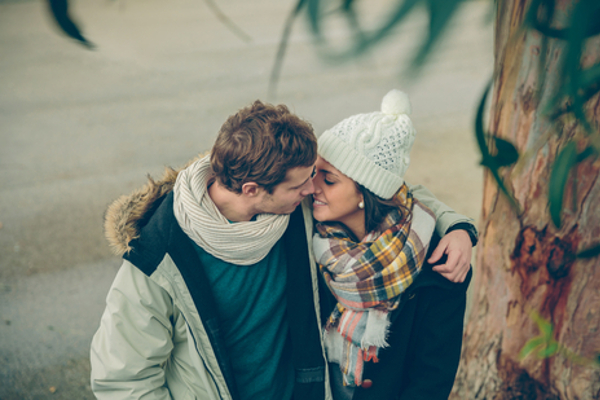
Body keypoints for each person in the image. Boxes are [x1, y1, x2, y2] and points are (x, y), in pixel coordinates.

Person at [90, 98, 475, 400]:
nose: (312, 190)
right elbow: (123, 379)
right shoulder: (159, 259)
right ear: (253, 191)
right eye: (302, 184)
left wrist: (456, 226)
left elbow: (387, 191)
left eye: (316, 178)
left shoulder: (295, 207)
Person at [311, 89, 476, 400]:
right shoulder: (310, 236)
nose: (312, 186)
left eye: (329, 180)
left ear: (367, 192)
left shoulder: (437, 262)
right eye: (313, 172)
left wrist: (459, 229)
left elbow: (432, 377)